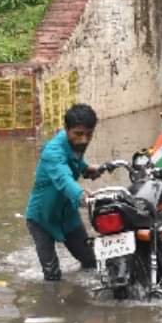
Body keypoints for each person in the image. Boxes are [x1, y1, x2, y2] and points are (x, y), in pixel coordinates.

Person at [26, 103, 103, 281]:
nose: (84, 140)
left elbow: (74, 161)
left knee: (91, 261)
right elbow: (63, 178)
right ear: (66, 129)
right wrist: (81, 196)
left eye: (89, 134)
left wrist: (86, 169)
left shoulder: (74, 144)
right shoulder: (52, 152)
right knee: (52, 275)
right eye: (78, 134)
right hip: (42, 218)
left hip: (68, 215)